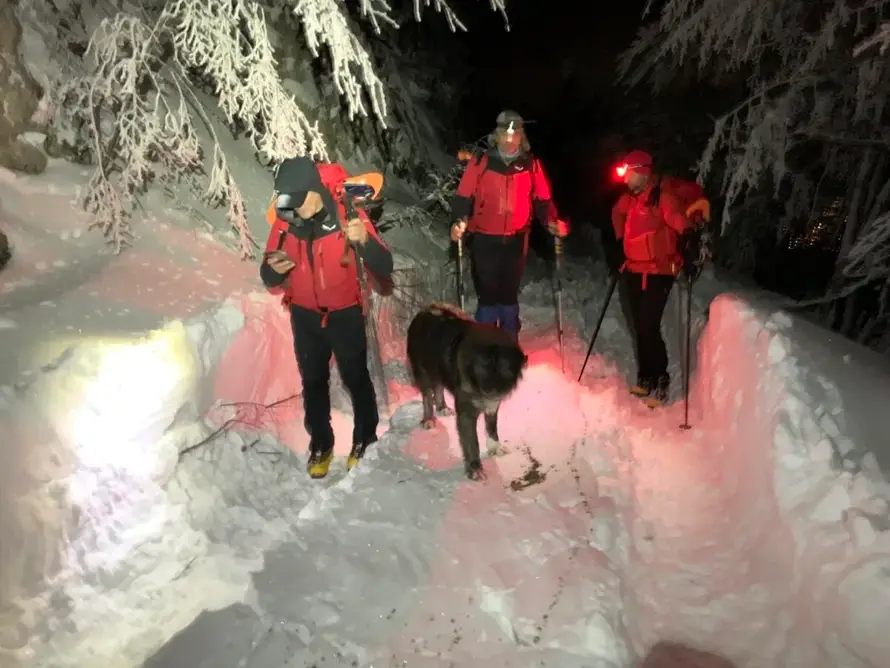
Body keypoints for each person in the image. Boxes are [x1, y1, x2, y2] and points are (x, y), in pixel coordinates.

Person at [260, 156, 394, 479]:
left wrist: (363, 241)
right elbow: (267, 275)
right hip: (304, 315)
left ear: (314, 192)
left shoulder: (347, 215)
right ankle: (321, 442)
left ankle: (365, 437)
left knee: (355, 377)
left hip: (345, 313)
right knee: (313, 381)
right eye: (284, 203)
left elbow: (385, 266)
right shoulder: (286, 221)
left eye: (295, 202)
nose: (289, 211)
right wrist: (272, 271)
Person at [450, 110, 568, 340]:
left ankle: (508, 344)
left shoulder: (531, 165)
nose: (510, 139)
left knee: (508, 293)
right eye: (505, 133)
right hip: (484, 238)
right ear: (497, 135)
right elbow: (463, 196)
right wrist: (459, 220)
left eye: (515, 134)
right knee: (488, 293)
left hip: (516, 239)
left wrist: (552, 221)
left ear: (521, 136)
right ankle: (484, 344)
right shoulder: (481, 162)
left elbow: (542, 200)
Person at [609, 149, 708, 405]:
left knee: (647, 325)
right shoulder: (630, 199)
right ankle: (646, 376)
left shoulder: (662, 197)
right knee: (640, 325)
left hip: (658, 273)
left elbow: (676, 217)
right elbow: (615, 213)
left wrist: (687, 236)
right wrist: (620, 241)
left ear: (642, 172)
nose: (626, 180)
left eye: (629, 175)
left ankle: (661, 375)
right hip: (634, 270)